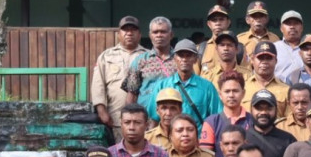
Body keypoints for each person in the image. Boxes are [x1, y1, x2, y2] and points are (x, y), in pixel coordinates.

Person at [91, 15, 142, 143]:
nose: (129, 33)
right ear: (118, 34)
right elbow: (98, 85)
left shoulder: (147, 56)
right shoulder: (106, 55)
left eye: (133, 30)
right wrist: (101, 111)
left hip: (142, 118)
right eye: (125, 30)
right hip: (114, 118)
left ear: (139, 34)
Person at [147, 39, 222, 124]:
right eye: (181, 55)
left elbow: (216, 119)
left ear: (195, 59)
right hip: (169, 136)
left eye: (188, 55)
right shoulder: (162, 85)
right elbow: (153, 118)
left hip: (198, 136)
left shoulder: (207, 87)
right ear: (174, 58)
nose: (184, 59)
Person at [245, 89, 296, 157]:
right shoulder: (242, 138)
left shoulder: (288, 140)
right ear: (251, 110)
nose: (263, 112)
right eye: (259, 108)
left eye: (268, 108)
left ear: (276, 110)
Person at [200, 70, 254, 157]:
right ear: (220, 94)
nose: (231, 95)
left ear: (243, 93)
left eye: (235, 91)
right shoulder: (211, 122)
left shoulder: (252, 121)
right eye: (227, 91)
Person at [122, 16, 175, 106]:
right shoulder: (140, 60)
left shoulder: (180, 60)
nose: (159, 35)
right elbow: (131, 94)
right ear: (150, 35)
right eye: (155, 32)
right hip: (146, 116)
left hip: (173, 115)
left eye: (163, 32)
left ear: (171, 35)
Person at [243, 40, 291, 114]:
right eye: (260, 58)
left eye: (269, 58)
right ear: (252, 60)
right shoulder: (243, 88)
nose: (264, 62)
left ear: (276, 60)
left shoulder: (286, 90)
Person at [196, 4, 232, 77]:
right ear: (209, 24)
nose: (218, 23)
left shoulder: (238, 47)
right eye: (214, 20)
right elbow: (195, 78)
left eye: (221, 19)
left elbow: (246, 75)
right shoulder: (200, 49)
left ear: (228, 22)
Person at [274, 10, 306, 84]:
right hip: (279, 90)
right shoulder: (274, 47)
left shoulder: (308, 49)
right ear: (281, 28)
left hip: (303, 91)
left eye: (296, 23)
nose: (292, 27)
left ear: (301, 28)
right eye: (288, 24)